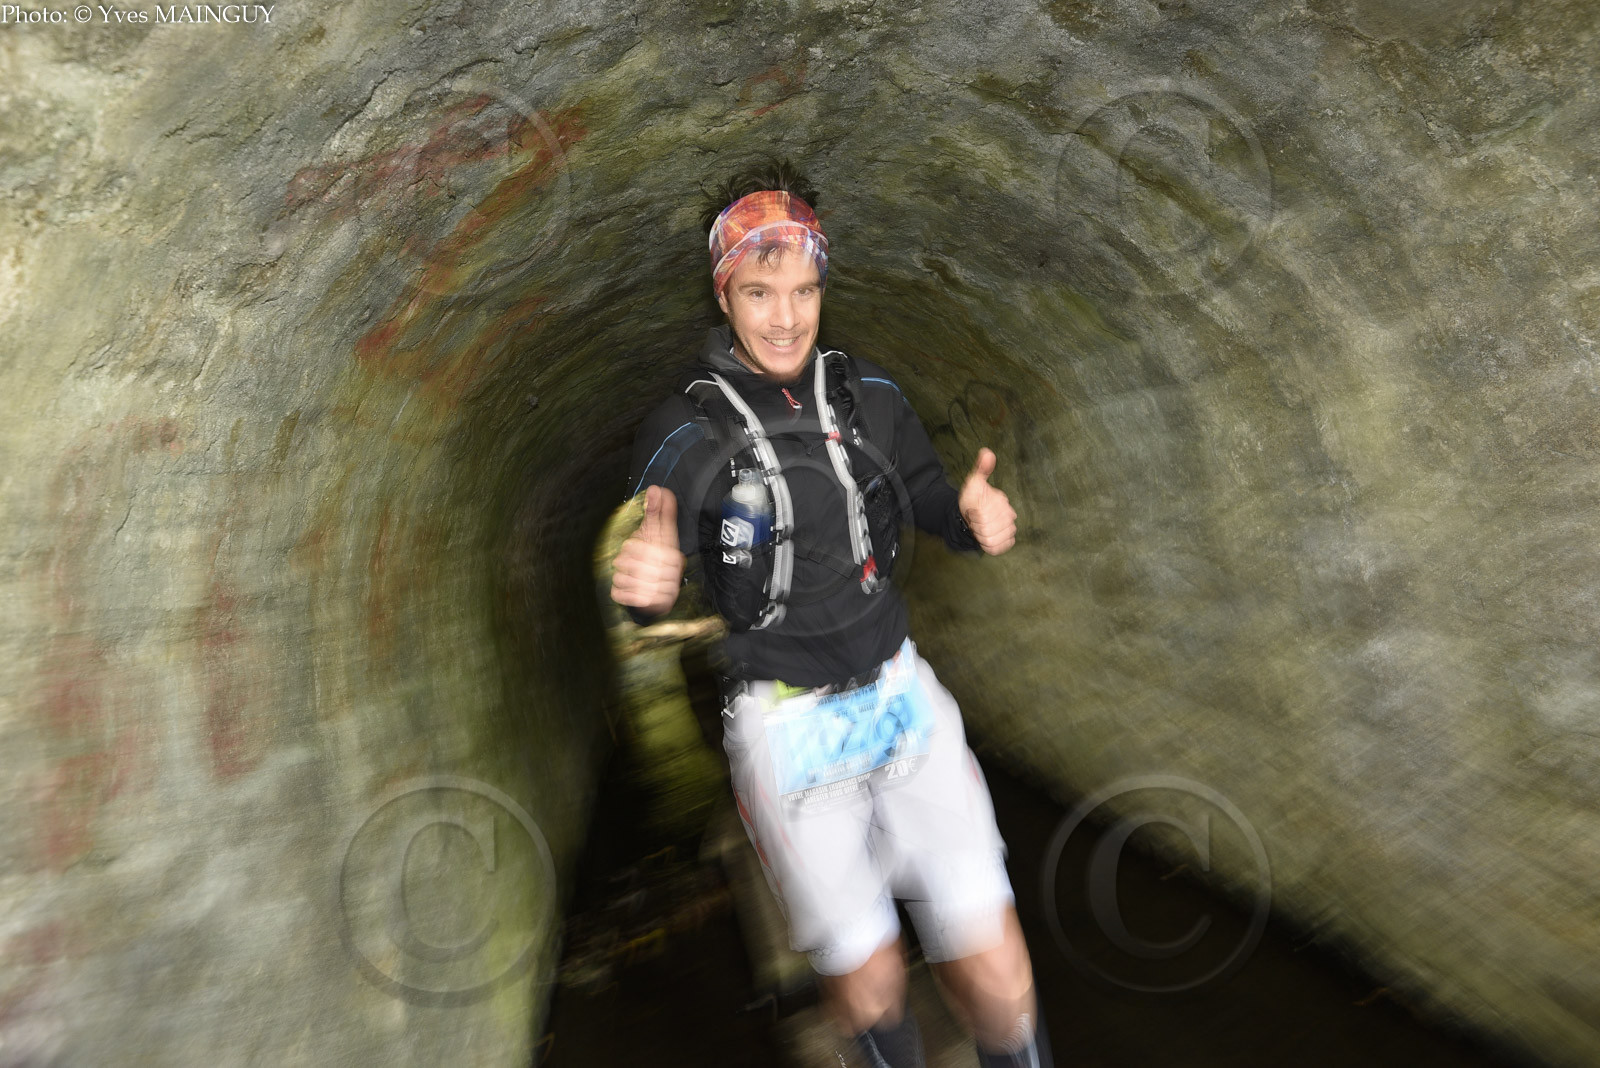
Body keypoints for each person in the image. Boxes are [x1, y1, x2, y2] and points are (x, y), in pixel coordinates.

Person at [609, 158, 1052, 1068]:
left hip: (899, 696)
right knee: (869, 983)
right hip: (788, 725)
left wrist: (971, 523)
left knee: (1001, 976)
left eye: (804, 291)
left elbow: (929, 500)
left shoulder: (870, 395)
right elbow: (659, 551)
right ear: (724, 293)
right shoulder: (681, 428)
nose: (786, 317)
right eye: (760, 291)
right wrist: (647, 591)